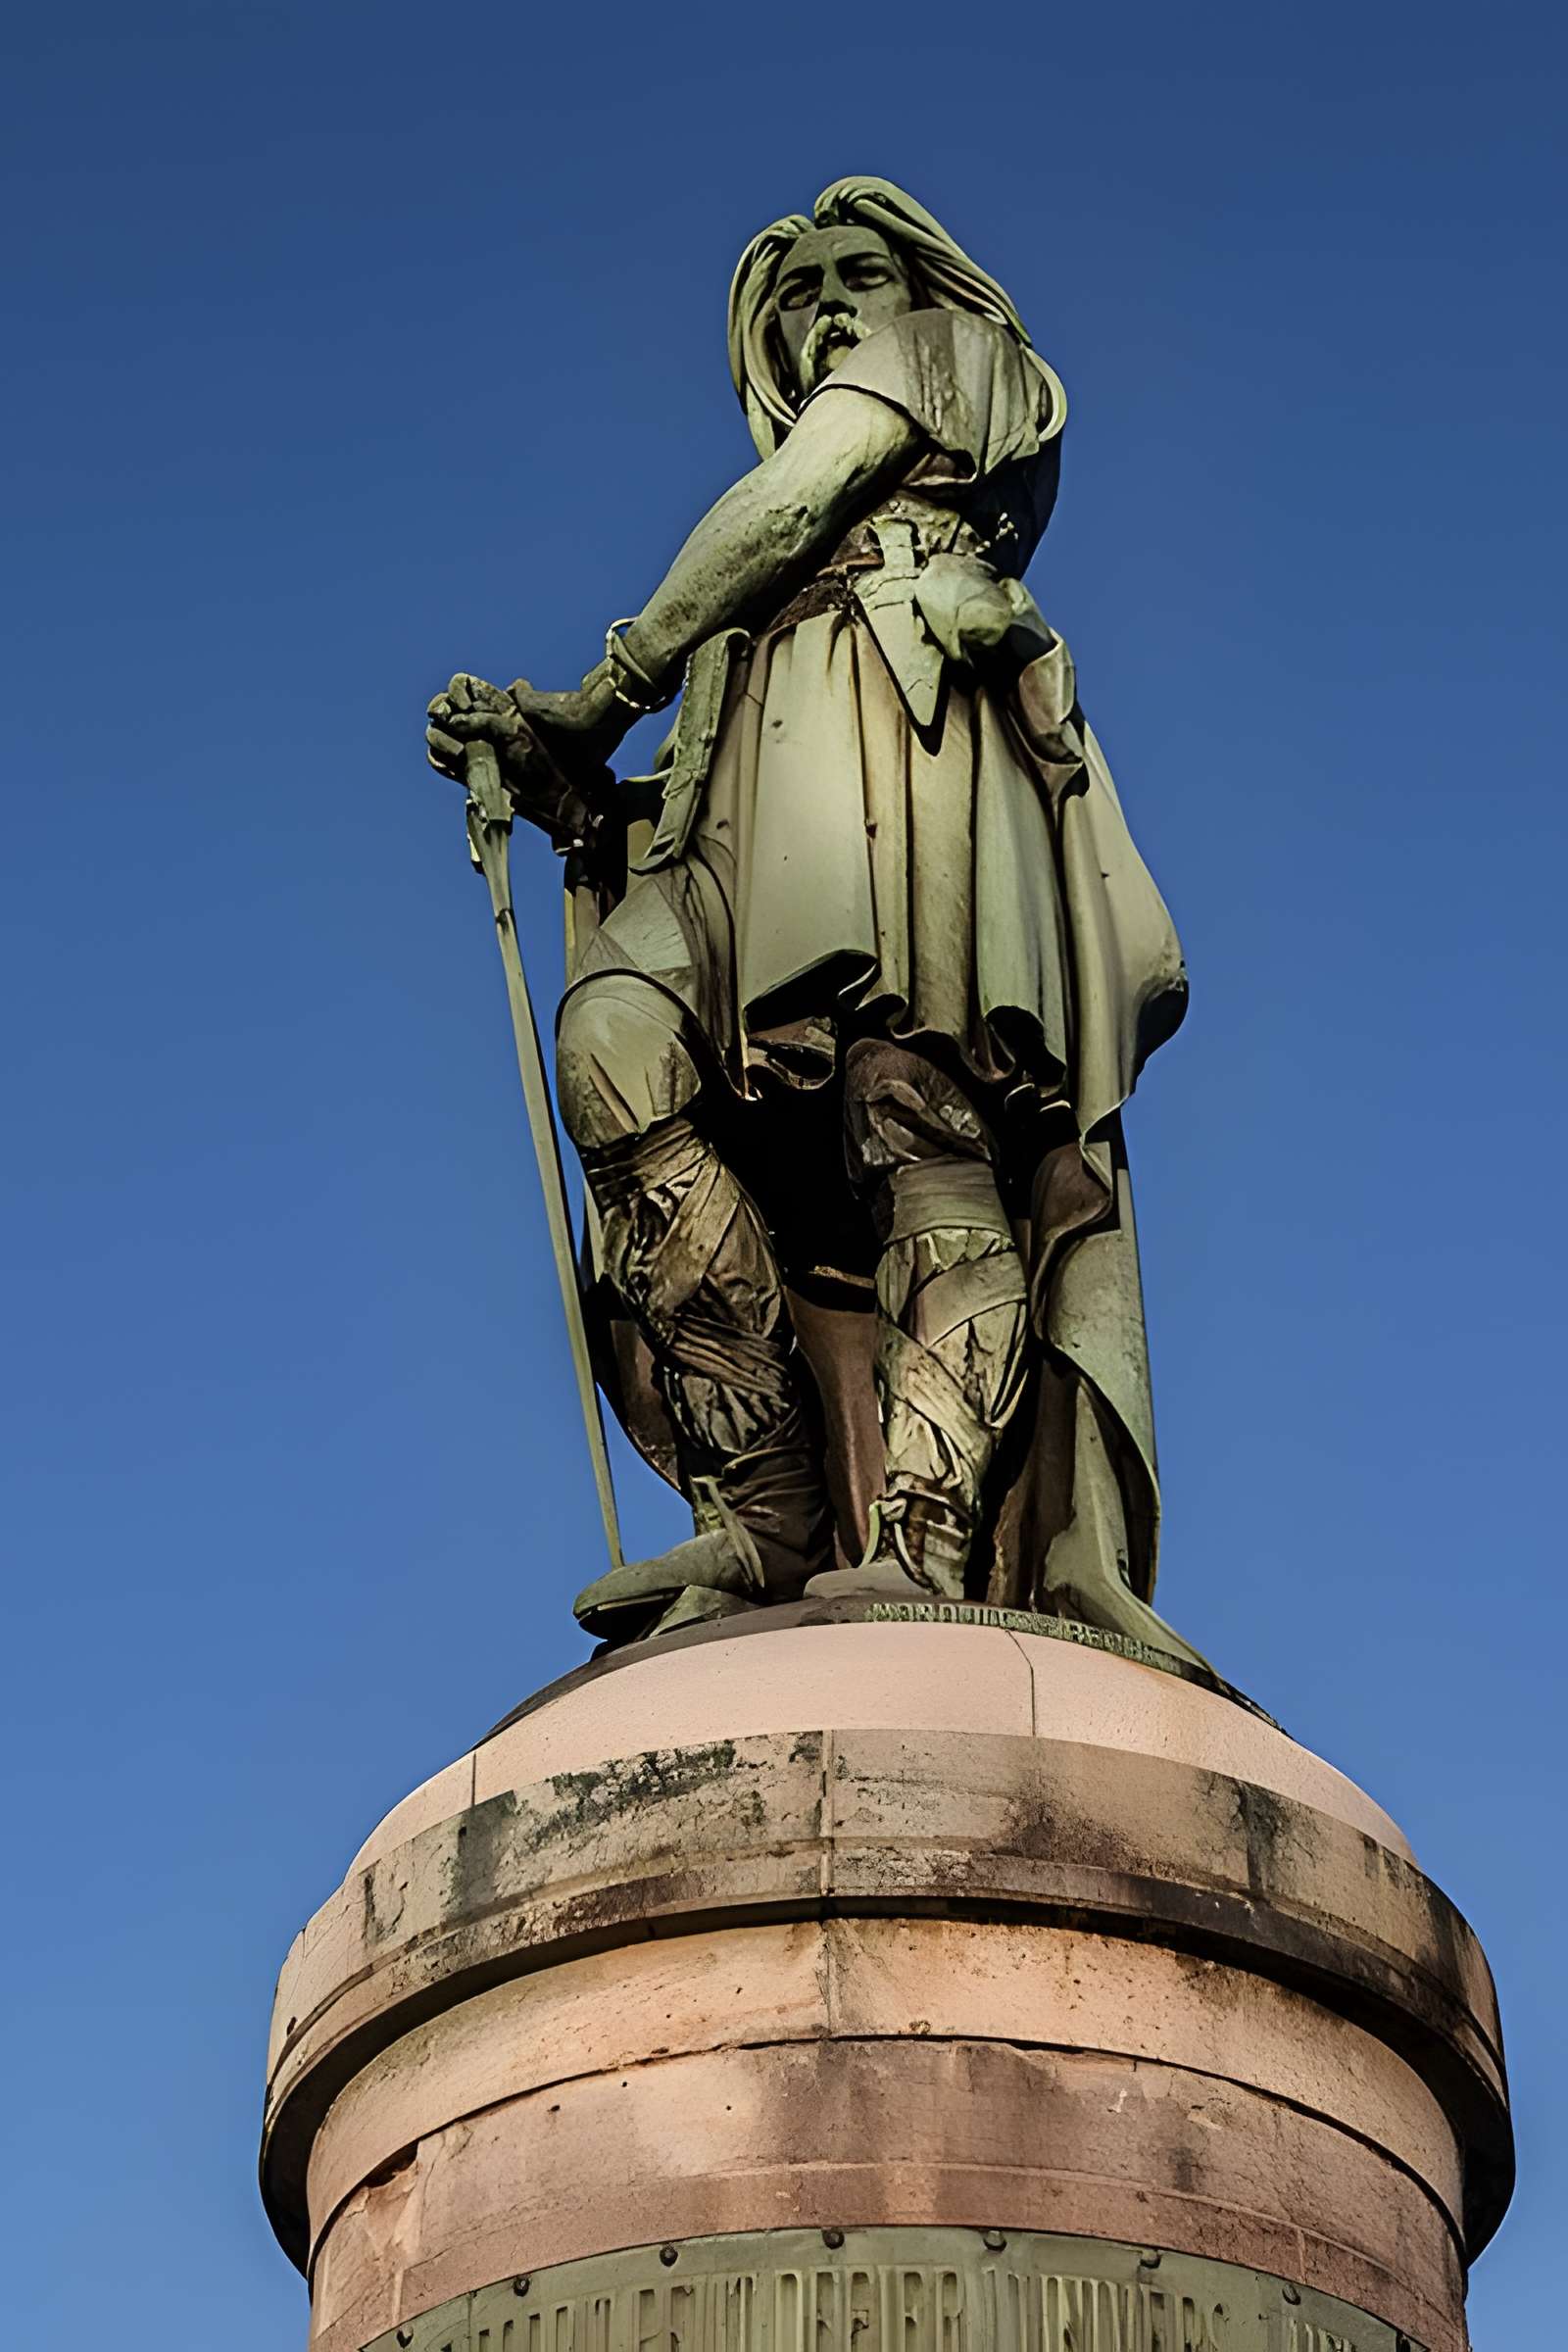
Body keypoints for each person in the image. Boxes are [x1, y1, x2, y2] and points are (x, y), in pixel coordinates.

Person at [427, 177, 1204, 1666]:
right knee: (610, 1045)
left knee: (914, 1111)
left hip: (917, 758)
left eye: (861, 272)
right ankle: (771, 1500)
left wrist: (596, 689)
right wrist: (564, 773)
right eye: (799, 293)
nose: (830, 303)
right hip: (765, 802)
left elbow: (789, 499)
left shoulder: (948, 365)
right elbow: (678, 784)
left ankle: (922, 1524)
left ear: (927, 289)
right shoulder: (752, 610)